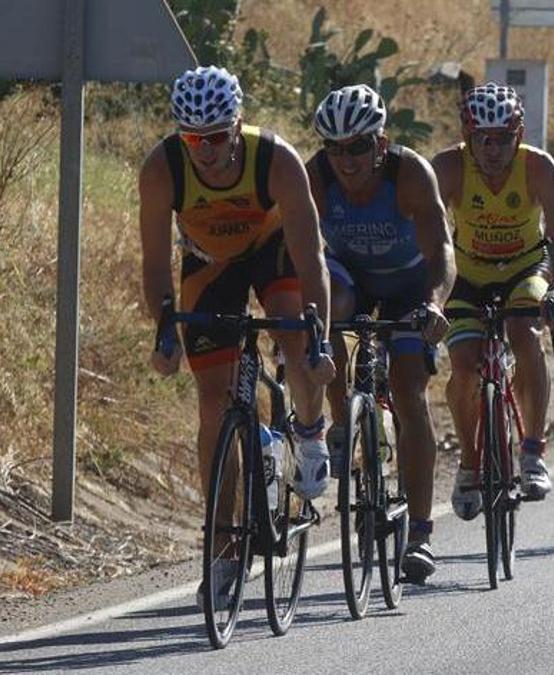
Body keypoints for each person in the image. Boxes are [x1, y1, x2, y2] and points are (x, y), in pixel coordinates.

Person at [139, 66, 336, 606]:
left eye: (216, 137)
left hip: (274, 253)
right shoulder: (163, 168)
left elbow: (310, 253)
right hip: (209, 265)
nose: (203, 149)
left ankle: (311, 431)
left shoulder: (276, 160)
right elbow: (155, 263)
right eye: (192, 138)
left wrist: (318, 333)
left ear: (238, 125)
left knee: (295, 338)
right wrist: (163, 332)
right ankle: (225, 546)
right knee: (213, 405)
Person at [307, 84, 455, 581]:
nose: (345, 160)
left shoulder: (410, 174)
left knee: (411, 392)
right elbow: (297, 248)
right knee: (327, 309)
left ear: (381, 144)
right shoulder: (317, 175)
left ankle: (419, 531)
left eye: (358, 147)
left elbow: (442, 254)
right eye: (335, 148)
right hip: (351, 279)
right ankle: (341, 421)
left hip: (409, 285)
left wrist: (434, 304)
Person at [431, 83, 554, 520]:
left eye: (503, 138)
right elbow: (422, 227)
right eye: (483, 139)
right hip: (467, 274)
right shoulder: (447, 167)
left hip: (525, 269)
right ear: (468, 135)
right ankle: (469, 464)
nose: (493, 149)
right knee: (462, 364)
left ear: (519, 134)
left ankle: (533, 451)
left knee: (523, 331)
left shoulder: (538, 167)